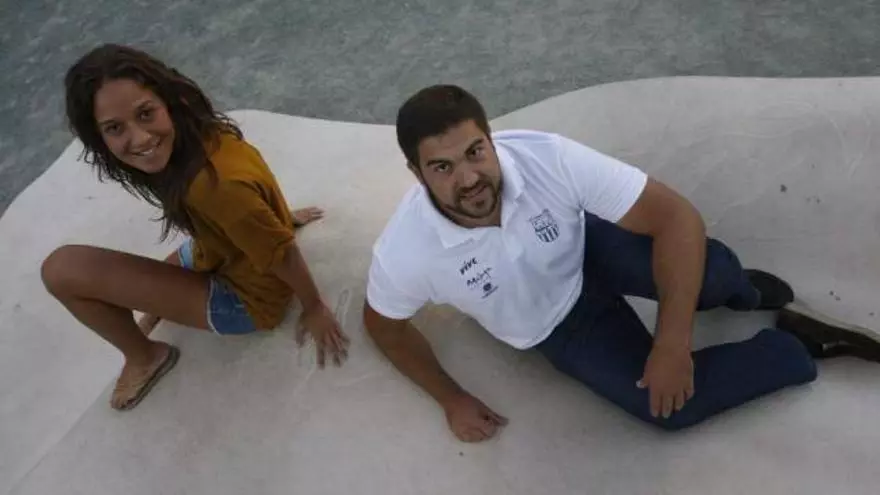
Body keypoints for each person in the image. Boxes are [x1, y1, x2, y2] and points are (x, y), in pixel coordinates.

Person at [363, 84, 880, 441]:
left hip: (588, 247)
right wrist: (451, 398)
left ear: (491, 140)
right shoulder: (406, 251)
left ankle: (741, 290)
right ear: (416, 172)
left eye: (476, 152)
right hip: (556, 325)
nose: (469, 178)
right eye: (443, 167)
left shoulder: (547, 157)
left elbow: (676, 217)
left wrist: (672, 342)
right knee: (672, 409)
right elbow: (384, 329)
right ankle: (796, 345)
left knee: (711, 271)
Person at [41, 44, 349, 411]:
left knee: (62, 271)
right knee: (138, 278)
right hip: (218, 251)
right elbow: (250, 188)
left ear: (168, 101)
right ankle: (159, 308)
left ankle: (144, 358)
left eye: (145, 113)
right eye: (115, 128)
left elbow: (280, 252)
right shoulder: (203, 135)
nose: (140, 138)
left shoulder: (214, 188)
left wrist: (313, 306)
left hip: (246, 301)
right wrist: (277, 217)